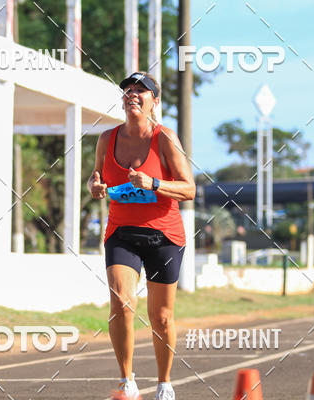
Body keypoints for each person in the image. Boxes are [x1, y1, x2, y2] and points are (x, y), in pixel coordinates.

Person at [88, 72, 195, 400]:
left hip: (164, 236)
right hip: (121, 232)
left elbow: (189, 189)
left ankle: (164, 383)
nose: (132, 94)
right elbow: (96, 176)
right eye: (128, 90)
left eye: (141, 91)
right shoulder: (107, 138)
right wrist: (95, 186)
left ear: (155, 102)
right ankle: (127, 380)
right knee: (121, 301)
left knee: (161, 318)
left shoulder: (165, 138)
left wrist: (154, 183)